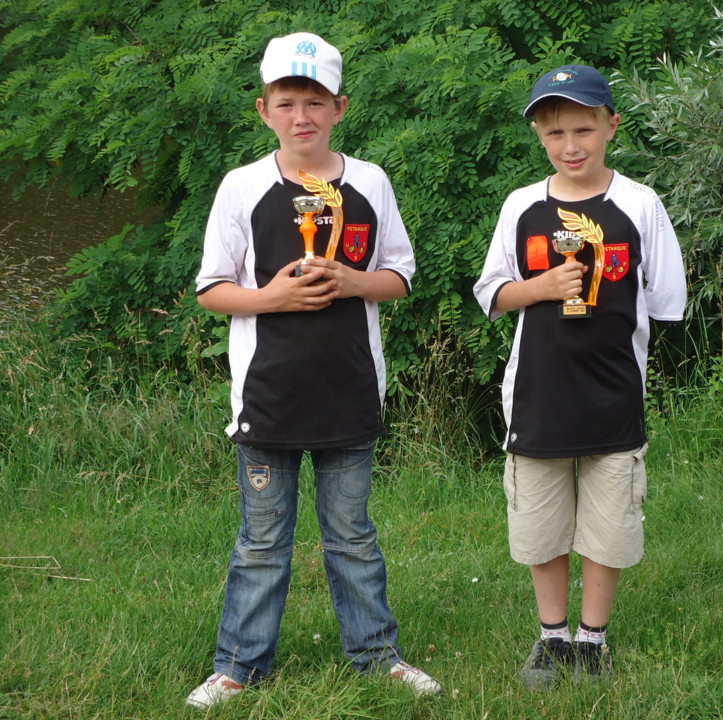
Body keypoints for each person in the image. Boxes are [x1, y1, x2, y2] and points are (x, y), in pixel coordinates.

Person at [187, 32, 442, 709]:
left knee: (352, 536)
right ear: (263, 109)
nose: (302, 115)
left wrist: (354, 281)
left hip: (350, 395)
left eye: (316, 102)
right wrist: (270, 298)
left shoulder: (370, 182)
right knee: (262, 541)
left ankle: (377, 656)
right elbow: (212, 289)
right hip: (268, 399)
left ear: (340, 107)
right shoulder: (241, 187)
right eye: (287, 102)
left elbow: (400, 277)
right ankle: (238, 667)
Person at [473, 65, 686, 688]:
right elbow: (491, 292)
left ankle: (593, 639)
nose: (572, 145)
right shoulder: (522, 206)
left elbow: (665, 299)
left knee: (609, 526)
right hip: (536, 399)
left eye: (585, 129)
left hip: (614, 398)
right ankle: (551, 638)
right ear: (540, 134)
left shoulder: (640, 204)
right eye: (557, 131)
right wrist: (539, 287)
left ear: (611, 126)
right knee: (540, 526)